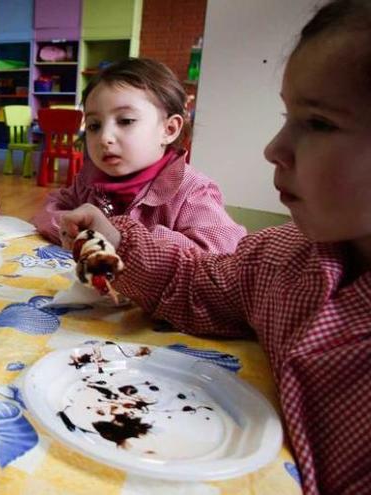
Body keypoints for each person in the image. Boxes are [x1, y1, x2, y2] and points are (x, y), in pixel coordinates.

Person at [58, 1, 371, 492]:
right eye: (288, 116)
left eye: (320, 123)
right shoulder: (283, 260)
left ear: (170, 129)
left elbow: (214, 246)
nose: (273, 147)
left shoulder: (193, 190)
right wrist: (120, 240)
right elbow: (202, 281)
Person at [33, 58, 245, 252]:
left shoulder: (192, 191)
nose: (104, 137)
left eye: (125, 121)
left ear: (169, 130)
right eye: (94, 125)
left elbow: (221, 255)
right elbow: (46, 212)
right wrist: (74, 228)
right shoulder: (89, 181)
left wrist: (119, 237)